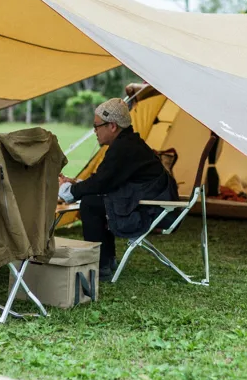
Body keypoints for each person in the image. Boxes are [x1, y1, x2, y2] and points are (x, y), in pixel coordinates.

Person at [58, 98, 177, 279]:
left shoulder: (124, 148)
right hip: (151, 204)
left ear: (112, 126)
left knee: (91, 204)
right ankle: (106, 260)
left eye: (97, 126)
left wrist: (67, 191)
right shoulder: (128, 143)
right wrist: (76, 184)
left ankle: (100, 264)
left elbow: (101, 183)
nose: (95, 131)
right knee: (97, 201)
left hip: (154, 210)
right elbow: (106, 181)